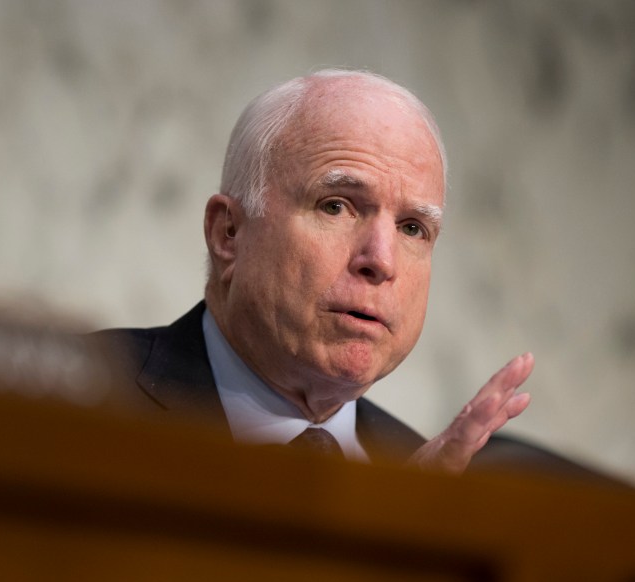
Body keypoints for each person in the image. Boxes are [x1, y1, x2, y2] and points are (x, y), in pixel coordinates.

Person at [95, 69, 533, 474]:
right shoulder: (81, 401)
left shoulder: (415, 480)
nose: (380, 261)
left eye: (412, 228)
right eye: (336, 206)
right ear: (228, 234)